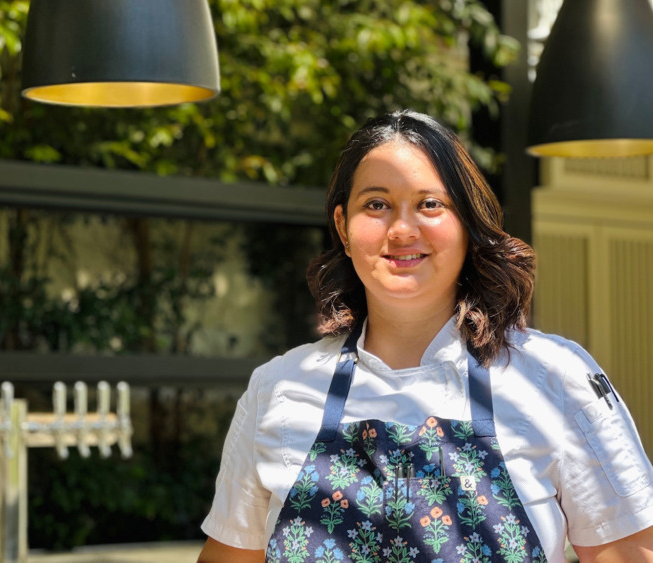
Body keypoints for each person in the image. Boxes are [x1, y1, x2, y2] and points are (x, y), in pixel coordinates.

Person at [197, 110, 653, 562]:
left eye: (430, 204)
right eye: (376, 204)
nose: (401, 230)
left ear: (467, 224)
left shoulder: (555, 378)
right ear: (342, 225)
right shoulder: (279, 387)